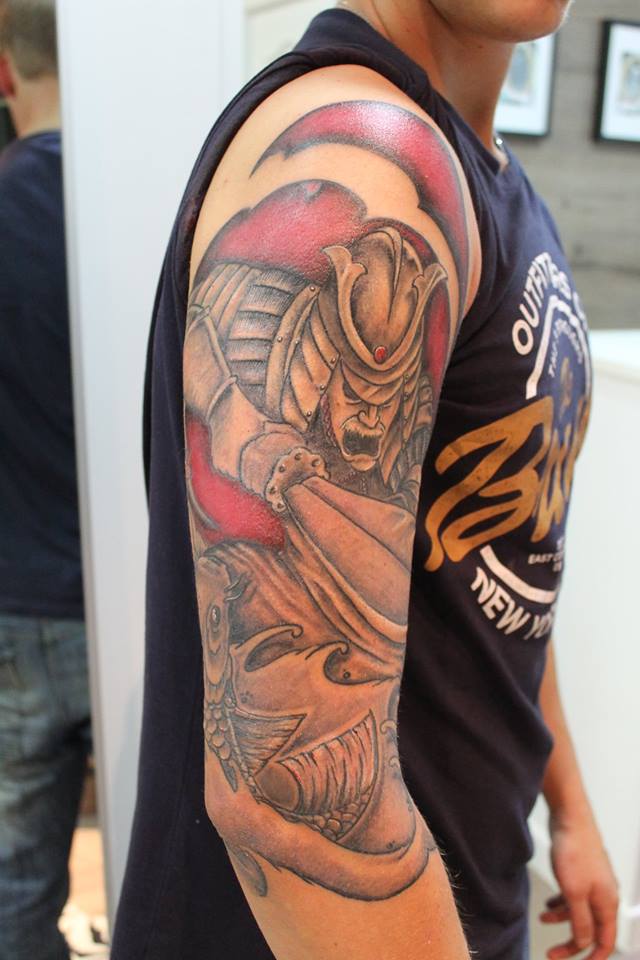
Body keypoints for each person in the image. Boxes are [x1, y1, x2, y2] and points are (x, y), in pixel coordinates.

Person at [112, 2, 619, 959]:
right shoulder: (371, 156)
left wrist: (570, 807)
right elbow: (281, 796)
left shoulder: (488, 175)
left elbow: (502, 559)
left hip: (460, 892)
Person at [0, 2, 91, 959]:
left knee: (14, 882)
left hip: (14, 600)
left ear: (4, 71)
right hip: (136, 604)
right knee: (164, 855)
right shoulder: (151, 205)